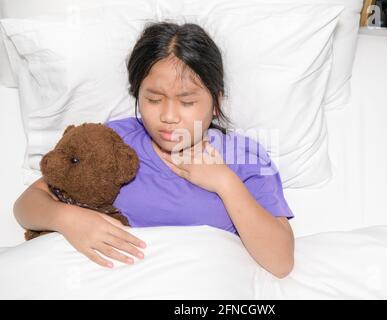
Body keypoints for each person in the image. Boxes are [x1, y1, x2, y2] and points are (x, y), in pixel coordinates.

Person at [14, 22, 295, 278]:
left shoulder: (243, 156)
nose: (169, 116)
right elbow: (26, 206)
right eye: (153, 99)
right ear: (137, 95)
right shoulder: (114, 140)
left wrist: (224, 182)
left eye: (186, 102)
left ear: (216, 102)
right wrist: (67, 218)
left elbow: (281, 262)